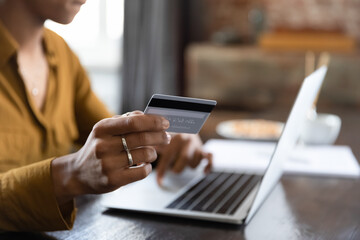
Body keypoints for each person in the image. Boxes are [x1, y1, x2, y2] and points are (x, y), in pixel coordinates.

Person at [0, 0, 212, 231]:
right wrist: (69, 174)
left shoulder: (61, 54)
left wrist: (170, 140)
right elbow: (85, 164)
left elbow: (116, 137)